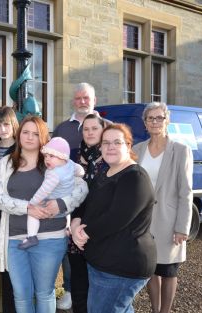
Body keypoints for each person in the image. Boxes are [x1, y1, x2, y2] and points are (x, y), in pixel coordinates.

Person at [0, 116, 88, 313]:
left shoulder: (56, 162)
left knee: (44, 292)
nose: (29, 137)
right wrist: (27, 208)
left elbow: (82, 188)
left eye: (36, 133)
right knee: (21, 294)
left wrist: (61, 204)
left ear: (44, 137)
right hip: (14, 240)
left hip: (50, 238)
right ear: (19, 135)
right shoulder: (6, 164)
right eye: (25, 132)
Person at [71, 123, 157, 313]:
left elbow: (116, 218)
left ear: (128, 146)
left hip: (120, 266)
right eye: (106, 142)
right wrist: (75, 221)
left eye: (117, 142)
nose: (110, 147)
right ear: (100, 148)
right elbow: (86, 201)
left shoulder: (135, 177)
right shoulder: (106, 172)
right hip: (103, 262)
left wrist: (82, 233)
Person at [133, 102, 193, 313]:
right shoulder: (137, 150)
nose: (155, 122)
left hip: (169, 220)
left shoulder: (180, 151)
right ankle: (155, 309)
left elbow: (186, 192)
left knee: (168, 270)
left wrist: (182, 227)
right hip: (143, 220)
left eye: (160, 118)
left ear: (167, 121)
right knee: (151, 269)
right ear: (145, 123)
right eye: (151, 118)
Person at [52, 82, 97, 310]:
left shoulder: (105, 126)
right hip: (67, 197)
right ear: (73, 101)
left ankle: (93, 289)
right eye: (78, 98)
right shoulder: (62, 129)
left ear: (94, 100)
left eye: (86, 98)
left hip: (96, 196)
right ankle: (70, 289)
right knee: (70, 244)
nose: (82, 101)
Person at [68, 113, 108, 313]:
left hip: (100, 228)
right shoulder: (73, 155)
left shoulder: (110, 156)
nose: (90, 132)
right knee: (78, 283)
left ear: (103, 131)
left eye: (95, 128)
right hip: (75, 224)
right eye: (86, 129)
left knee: (101, 285)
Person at [19, 137, 84, 249]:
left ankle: (32, 237)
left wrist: (33, 202)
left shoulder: (53, 173)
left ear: (62, 157)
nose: (47, 160)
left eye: (52, 156)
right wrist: (77, 177)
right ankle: (67, 227)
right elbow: (80, 170)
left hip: (51, 203)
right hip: (65, 203)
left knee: (33, 214)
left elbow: (44, 190)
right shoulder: (70, 164)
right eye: (46, 156)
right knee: (67, 211)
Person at [0, 106, 19, 313]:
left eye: (6, 124)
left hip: (11, 214)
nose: (3, 129)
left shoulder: (20, 149)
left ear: (13, 124)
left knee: (8, 268)